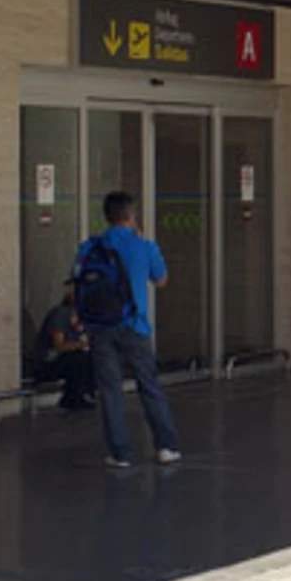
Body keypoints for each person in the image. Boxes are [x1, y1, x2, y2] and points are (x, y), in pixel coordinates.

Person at [77, 191, 182, 468]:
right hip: (134, 325)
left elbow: (76, 282)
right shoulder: (143, 246)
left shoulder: (90, 247)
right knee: (148, 385)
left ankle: (120, 453)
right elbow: (161, 280)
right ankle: (166, 446)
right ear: (131, 216)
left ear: (107, 216)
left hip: (99, 328)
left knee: (110, 390)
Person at [31, 282, 95, 411]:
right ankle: (74, 397)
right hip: (49, 361)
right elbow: (59, 346)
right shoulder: (60, 314)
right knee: (79, 358)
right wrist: (81, 344)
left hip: (69, 360)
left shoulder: (85, 317)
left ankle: (82, 393)